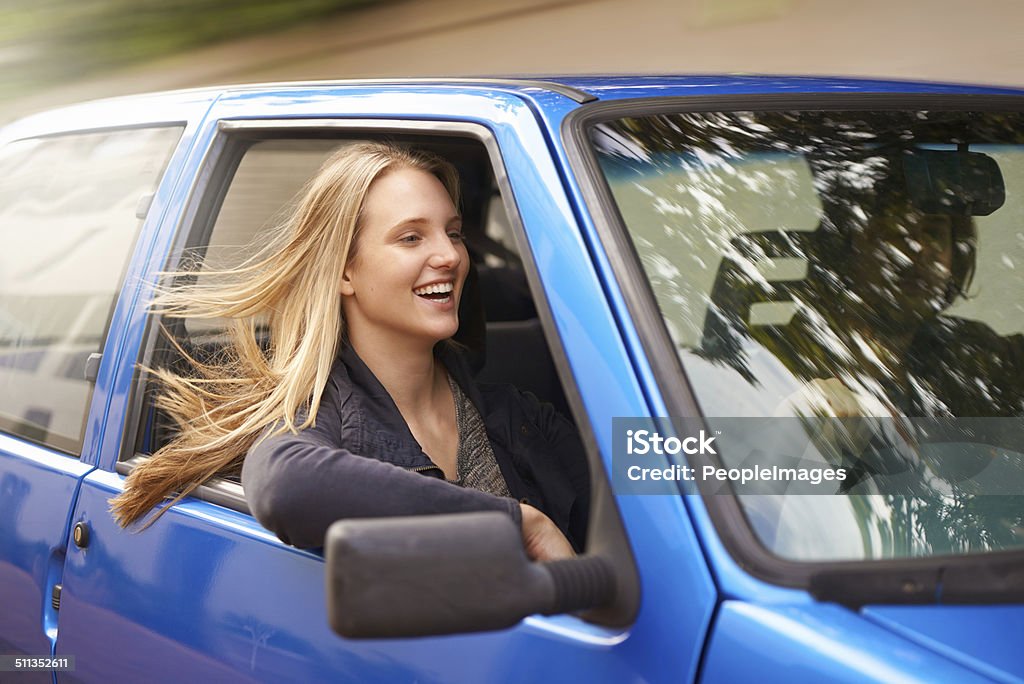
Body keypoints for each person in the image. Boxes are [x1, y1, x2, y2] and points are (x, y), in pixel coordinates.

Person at [109, 142, 589, 561]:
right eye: (411, 237)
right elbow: (285, 485)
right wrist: (519, 523)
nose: (451, 255)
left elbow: (653, 472)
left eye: (454, 232)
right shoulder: (317, 420)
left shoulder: (517, 413)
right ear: (344, 272)